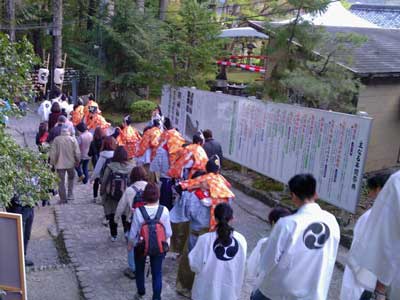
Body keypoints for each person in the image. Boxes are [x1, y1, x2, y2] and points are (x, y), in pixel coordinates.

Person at [251, 174, 340, 300]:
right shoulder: (331, 221)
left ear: (293, 196)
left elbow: (267, 262)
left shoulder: (287, 224)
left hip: (281, 292)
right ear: (315, 194)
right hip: (315, 292)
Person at [347, 171, 400, 300]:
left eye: (371, 190)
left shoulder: (397, 181)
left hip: (386, 283)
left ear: (379, 189)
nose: (369, 195)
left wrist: (380, 290)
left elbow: (386, 243)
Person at [189, 202, 247, 300]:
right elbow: (242, 266)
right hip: (229, 290)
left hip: (205, 290)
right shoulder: (241, 240)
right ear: (232, 219)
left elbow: (194, 265)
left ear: (215, 218)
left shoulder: (205, 239)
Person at [128, 183, 172, 300]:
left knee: (140, 270)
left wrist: (130, 244)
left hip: (141, 245)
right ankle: (156, 297)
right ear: (158, 195)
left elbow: (133, 232)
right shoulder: (164, 211)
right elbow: (168, 232)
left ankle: (141, 292)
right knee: (157, 273)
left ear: (144, 196)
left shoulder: (138, 211)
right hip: (159, 245)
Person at [114, 166, 148, 280]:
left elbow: (121, 206)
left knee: (131, 243)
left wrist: (116, 218)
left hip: (133, 221)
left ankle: (133, 268)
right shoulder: (150, 187)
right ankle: (144, 263)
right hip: (148, 221)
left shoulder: (129, 190)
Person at [247, 207, 292, 290]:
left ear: (273, 223)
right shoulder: (295, 246)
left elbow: (251, 269)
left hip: (264, 288)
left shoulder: (264, 243)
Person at [100, 146, 134, 241]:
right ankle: (127, 232)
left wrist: (102, 193)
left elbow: (104, 181)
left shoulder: (110, 167)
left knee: (112, 214)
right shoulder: (130, 167)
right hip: (126, 195)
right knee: (125, 214)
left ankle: (113, 235)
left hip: (112, 195)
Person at [49, 124, 80, 204]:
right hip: (71, 164)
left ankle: (63, 198)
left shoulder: (56, 140)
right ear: (68, 131)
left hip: (60, 164)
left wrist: (52, 163)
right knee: (71, 179)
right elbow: (77, 152)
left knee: (61, 182)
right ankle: (70, 195)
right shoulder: (73, 139)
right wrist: (77, 161)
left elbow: (53, 153)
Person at [6, 193, 35, 267]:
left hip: (30, 205)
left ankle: (22, 258)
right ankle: (14, 260)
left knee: (26, 235)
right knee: (17, 234)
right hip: (16, 205)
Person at [90, 136, 117, 202]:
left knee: (98, 182)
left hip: (104, 177)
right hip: (114, 176)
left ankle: (97, 197)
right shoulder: (116, 154)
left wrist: (92, 178)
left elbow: (97, 169)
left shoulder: (103, 155)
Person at [88, 127, 105, 201]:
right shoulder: (104, 141)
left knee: (96, 179)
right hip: (104, 160)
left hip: (95, 161)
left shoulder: (93, 142)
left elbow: (89, 153)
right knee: (104, 178)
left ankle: (95, 196)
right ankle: (103, 195)